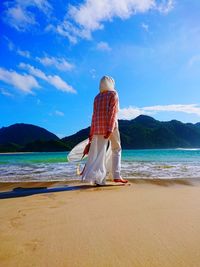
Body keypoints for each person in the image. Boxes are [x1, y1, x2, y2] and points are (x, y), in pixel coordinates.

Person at [82, 76, 128, 185]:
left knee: (99, 153)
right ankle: (116, 176)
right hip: (111, 126)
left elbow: (94, 115)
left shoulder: (97, 97)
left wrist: (91, 132)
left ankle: (99, 179)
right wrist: (110, 128)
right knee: (116, 149)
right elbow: (113, 112)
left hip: (97, 127)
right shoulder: (113, 94)